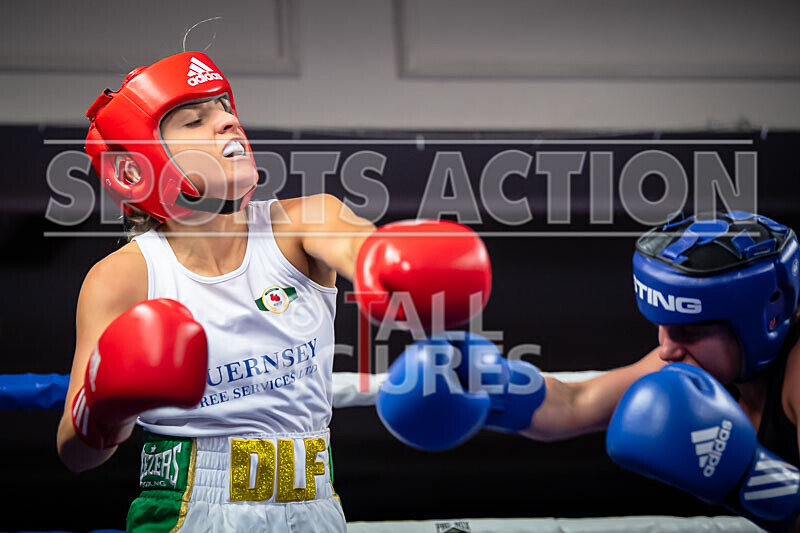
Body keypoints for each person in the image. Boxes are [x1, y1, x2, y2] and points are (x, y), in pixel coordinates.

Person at [55, 51, 492, 532]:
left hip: (317, 503)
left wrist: (390, 263)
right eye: (194, 120)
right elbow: (74, 456)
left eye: (225, 108)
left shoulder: (303, 221)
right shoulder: (123, 276)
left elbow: (358, 245)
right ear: (135, 169)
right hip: (186, 509)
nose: (227, 123)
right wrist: (106, 408)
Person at [377, 211, 800, 530]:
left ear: (767, 318)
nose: (666, 349)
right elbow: (576, 404)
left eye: (688, 330)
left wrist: (753, 479)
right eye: (662, 327)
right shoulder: (692, 359)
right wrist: (492, 385)